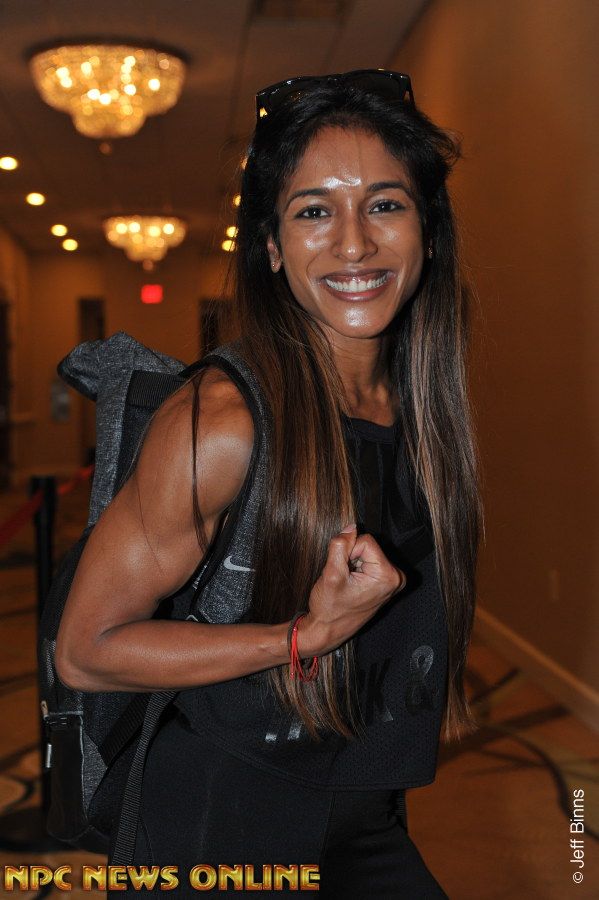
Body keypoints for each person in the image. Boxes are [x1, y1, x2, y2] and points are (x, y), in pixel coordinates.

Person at [55, 70, 482, 897]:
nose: (353, 244)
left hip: (361, 801)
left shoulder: (419, 406)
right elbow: (88, 650)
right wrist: (301, 639)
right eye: (313, 211)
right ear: (273, 247)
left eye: (384, 205)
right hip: (220, 817)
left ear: (427, 232)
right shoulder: (222, 421)